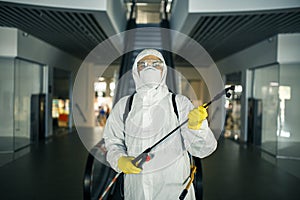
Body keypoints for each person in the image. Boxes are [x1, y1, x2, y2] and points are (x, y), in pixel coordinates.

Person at [103, 49, 217, 200]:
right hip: (136, 192)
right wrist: (118, 159)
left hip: (174, 191)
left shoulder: (180, 104)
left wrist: (198, 128)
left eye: (155, 64)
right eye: (143, 64)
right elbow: (112, 142)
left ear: (163, 70)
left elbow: (203, 150)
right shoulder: (124, 106)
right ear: (135, 71)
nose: (149, 67)